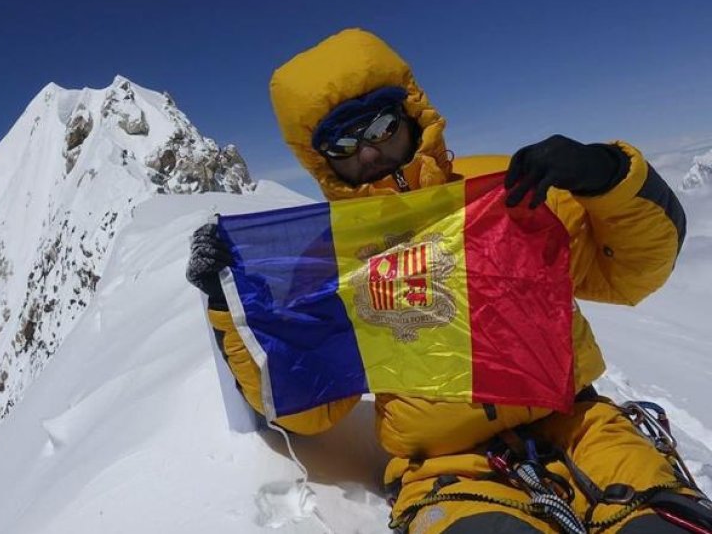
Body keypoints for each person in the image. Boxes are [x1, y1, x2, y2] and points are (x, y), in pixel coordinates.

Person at [187, 28, 709, 533]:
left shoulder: (509, 192)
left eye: (379, 127)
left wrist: (607, 176)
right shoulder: (332, 258)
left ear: (412, 115)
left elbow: (631, 273)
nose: (368, 151)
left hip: (583, 424)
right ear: (320, 160)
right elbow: (309, 404)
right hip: (444, 470)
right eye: (343, 143)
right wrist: (229, 301)